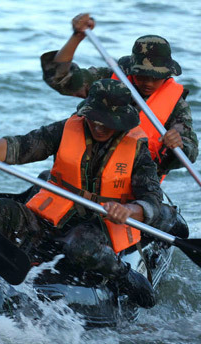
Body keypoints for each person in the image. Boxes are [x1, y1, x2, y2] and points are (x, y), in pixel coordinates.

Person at [0, 79, 162, 308]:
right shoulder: (66, 129)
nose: (99, 125)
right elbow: (21, 146)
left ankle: (124, 276)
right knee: (0, 210)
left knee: (81, 246)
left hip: (97, 226)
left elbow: (152, 199)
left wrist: (129, 210)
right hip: (52, 218)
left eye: (107, 121)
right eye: (94, 118)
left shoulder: (137, 149)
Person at [40, 13, 197, 233]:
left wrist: (177, 144)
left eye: (155, 77)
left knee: (160, 217)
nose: (148, 83)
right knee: (45, 180)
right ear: (132, 70)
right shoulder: (110, 79)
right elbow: (61, 79)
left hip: (131, 190)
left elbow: (188, 153)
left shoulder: (176, 106)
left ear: (168, 73)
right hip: (84, 176)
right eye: (142, 76)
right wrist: (76, 37)